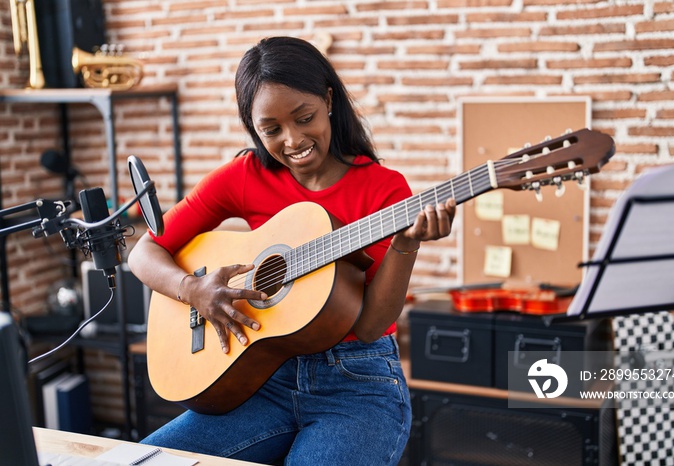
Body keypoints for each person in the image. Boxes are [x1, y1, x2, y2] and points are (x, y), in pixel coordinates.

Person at [128, 36, 456, 465]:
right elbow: (143, 253)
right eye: (272, 130)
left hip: (357, 383)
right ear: (253, 127)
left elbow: (373, 324)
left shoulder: (383, 189)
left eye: (305, 118)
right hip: (262, 378)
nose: (292, 140)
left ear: (329, 100)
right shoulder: (244, 175)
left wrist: (405, 244)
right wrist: (193, 290)